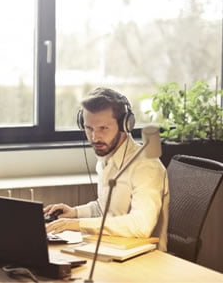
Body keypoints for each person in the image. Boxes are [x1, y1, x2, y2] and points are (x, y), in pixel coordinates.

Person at [44, 87, 169, 250]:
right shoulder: (106, 158)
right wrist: (74, 212)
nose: (95, 138)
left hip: (145, 259)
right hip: (112, 248)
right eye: (89, 129)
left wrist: (78, 224)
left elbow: (141, 225)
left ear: (125, 125)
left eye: (103, 128)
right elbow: (106, 209)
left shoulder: (146, 166)